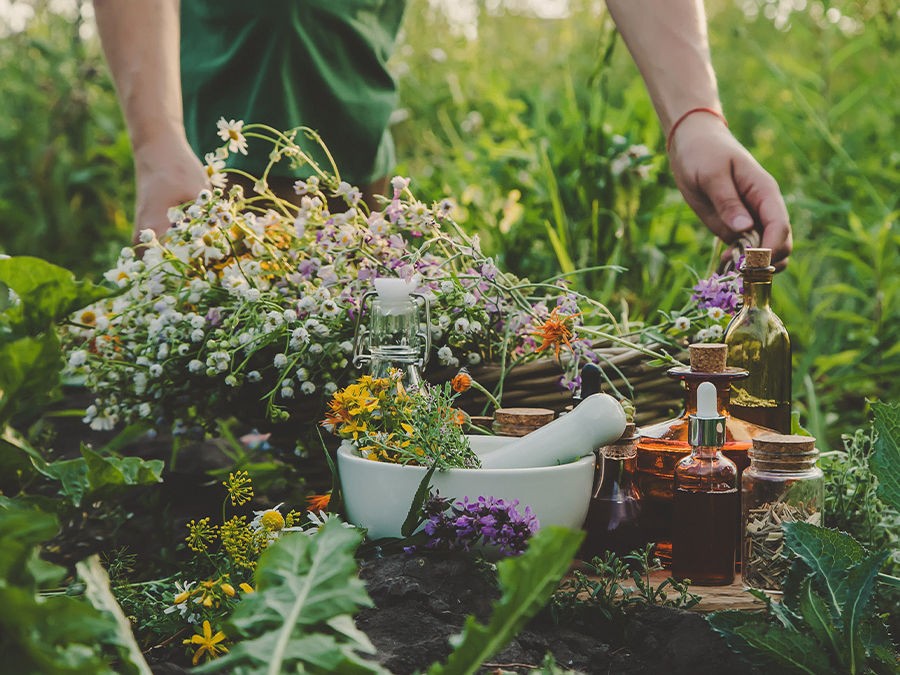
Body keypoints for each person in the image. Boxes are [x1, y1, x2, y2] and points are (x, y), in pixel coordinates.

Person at [93, 0, 792, 269]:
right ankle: (217, 277)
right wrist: (158, 146)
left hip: (341, 109)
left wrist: (694, 117)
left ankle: (341, 270)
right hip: (212, 114)